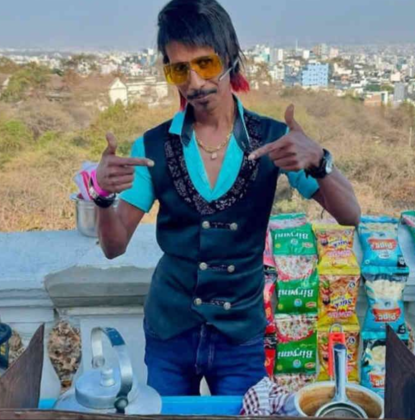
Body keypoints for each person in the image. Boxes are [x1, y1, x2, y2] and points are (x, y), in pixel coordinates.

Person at [89, 0, 360, 397]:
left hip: (240, 335)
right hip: (170, 330)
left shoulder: (274, 140)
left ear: (230, 56)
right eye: (179, 69)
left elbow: (350, 214)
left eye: (206, 63)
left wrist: (319, 160)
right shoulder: (153, 147)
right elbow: (114, 247)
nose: (195, 82)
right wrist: (101, 196)